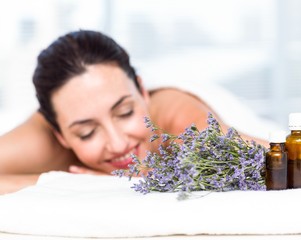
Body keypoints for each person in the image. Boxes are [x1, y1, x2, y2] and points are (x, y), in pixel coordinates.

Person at [0, 30, 267, 194]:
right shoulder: (44, 141)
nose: (117, 144)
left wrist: (115, 184)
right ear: (59, 134)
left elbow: (290, 161)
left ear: (142, 90)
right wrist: (68, 183)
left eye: (125, 112)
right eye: (87, 132)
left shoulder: (183, 123)